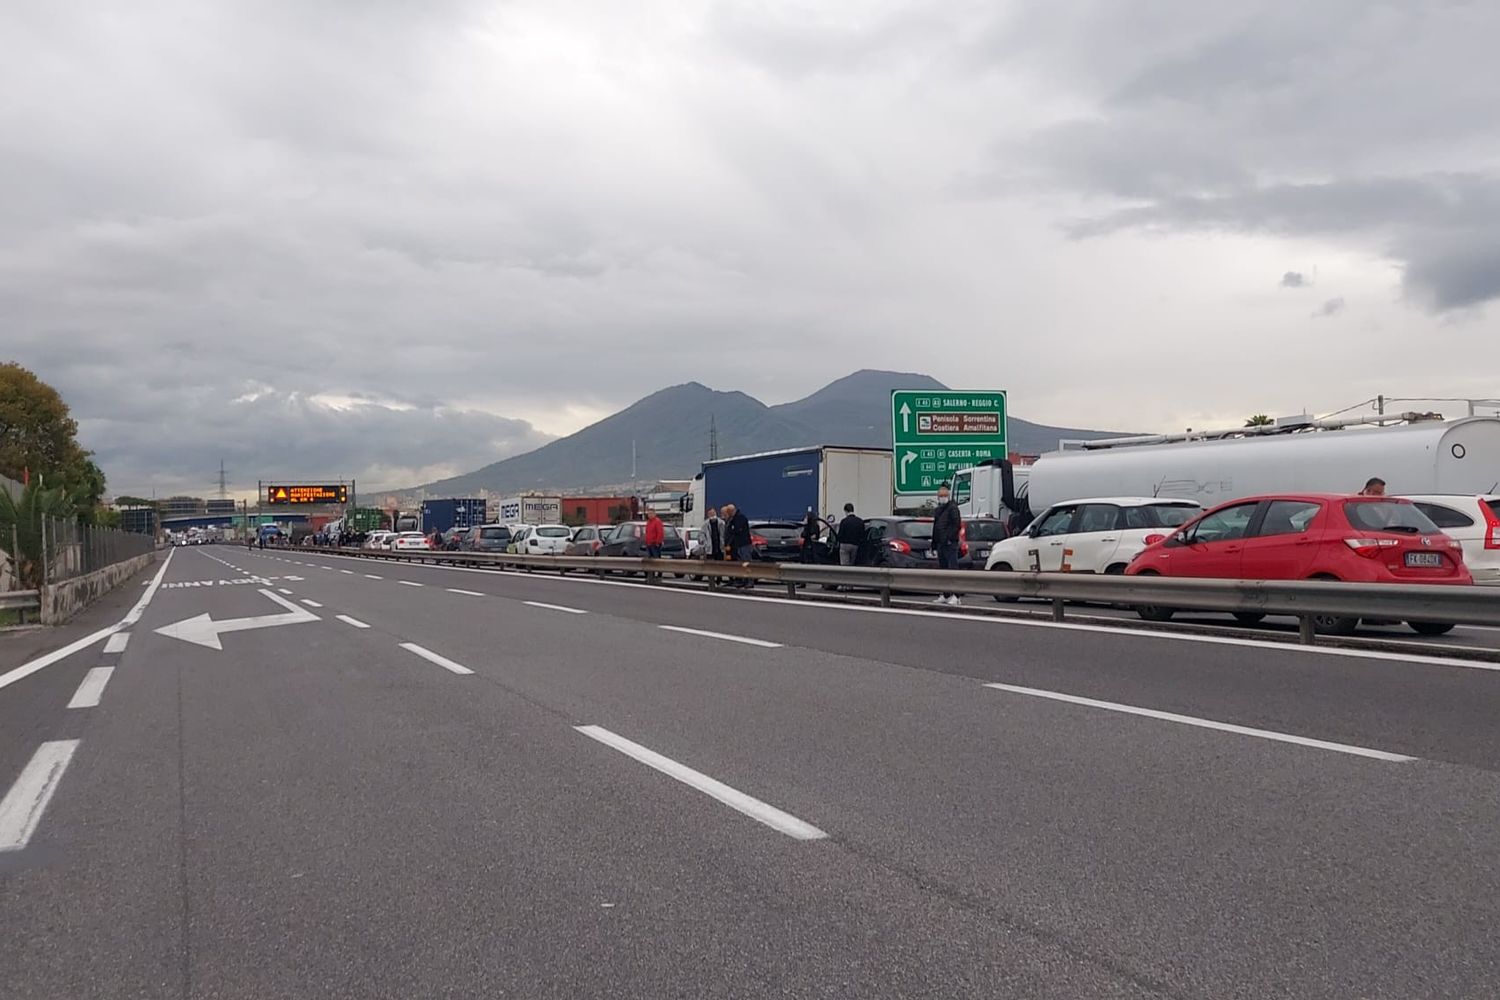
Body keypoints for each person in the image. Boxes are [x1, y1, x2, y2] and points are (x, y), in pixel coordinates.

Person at [931, 482, 963, 605]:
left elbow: (956, 525)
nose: (942, 497)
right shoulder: (938, 510)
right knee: (943, 570)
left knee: (952, 569)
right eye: (940, 495)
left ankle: (956, 595)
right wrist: (934, 543)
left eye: (944, 495)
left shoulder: (953, 508)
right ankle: (945, 594)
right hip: (940, 544)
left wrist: (949, 538)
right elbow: (936, 527)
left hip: (950, 544)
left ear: (948, 496)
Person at [723, 503, 753, 588]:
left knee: (746, 562)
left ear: (732, 511)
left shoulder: (740, 518)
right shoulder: (733, 519)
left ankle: (749, 581)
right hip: (737, 545)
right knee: (740, 563)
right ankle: (742, 580)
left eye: (728, 512)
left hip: (744, 544)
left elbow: (736, 530)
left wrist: (733, 529)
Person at [836, 502, 865, 567]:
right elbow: (862, 535)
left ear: (846, 511)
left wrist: (839, 541)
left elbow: (840, 534)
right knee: (852, 564)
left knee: (844, 565)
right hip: (855, 545)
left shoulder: (844, 521)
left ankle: (845, 575)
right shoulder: (860, 521)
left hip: (845, 545)